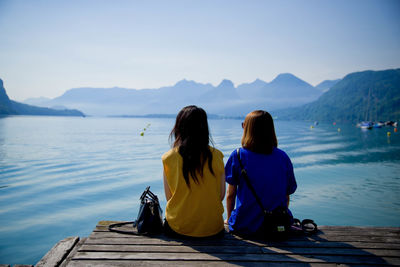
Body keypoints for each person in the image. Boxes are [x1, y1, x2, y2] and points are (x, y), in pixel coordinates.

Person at [225, 110, 297, 236]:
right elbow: (287, 194)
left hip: (244, 225)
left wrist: (229, 218)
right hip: (277, 226)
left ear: (247, 129)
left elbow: (231, 195)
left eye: (244, 125)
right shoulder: (283, 157)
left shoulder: (238, 156)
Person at [162, 105, 226, 238]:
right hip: (213, 228)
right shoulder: (217, 156)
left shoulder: (169, 158)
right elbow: (220, 195)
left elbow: (169, 198)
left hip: (179, 227)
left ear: (179, 128)